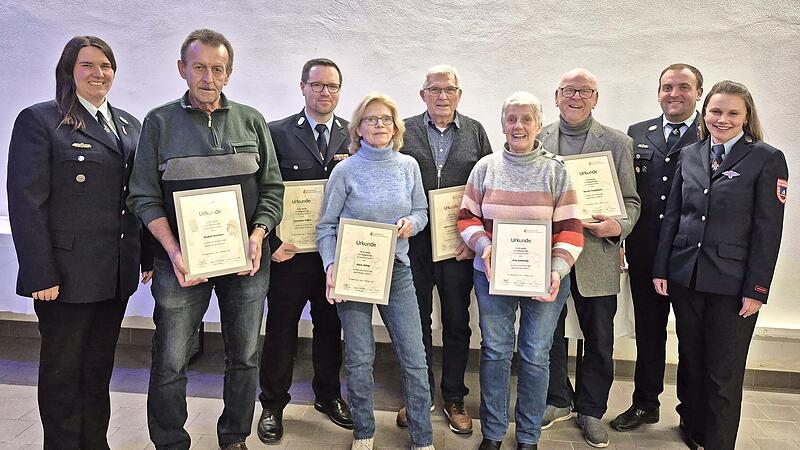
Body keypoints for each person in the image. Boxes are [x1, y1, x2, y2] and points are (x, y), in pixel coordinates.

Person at [127, 29, 284, 450]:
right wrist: (174, 251)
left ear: (228, 74)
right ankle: (170, 442)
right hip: (179, 264)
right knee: (171, 359)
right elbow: (142, 195)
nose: (208, 77)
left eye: (217, 68)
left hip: (246, 263)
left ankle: (234, 437)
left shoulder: (251, 120)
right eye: (199, 67)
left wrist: (258, 234)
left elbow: (272, 188)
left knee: (246, 356)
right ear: (182, 69)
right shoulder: (158, 122)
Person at [7, 35, 152, 450]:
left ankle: (94, 442)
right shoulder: (40, 120)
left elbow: (136, 197)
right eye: (87, 65)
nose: (99, 73)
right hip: (65, 277)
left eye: (106, 65)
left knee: (97, 368)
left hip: (113, 274)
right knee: (63, 372)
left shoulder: (128, 123)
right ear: (69, 71)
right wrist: (39, 272)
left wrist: (145, 254)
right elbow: (27, 203)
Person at [653, 80, 788, 450]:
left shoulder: (766, 158)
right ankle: (693, 428)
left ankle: (717, 442)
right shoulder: (691, 153)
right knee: (692, 361)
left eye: (732, 113)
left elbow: (767, 229)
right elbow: (674, 215)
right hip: (687, 276)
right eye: (715, 111)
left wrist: (757, 289)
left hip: (733, 284)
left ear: (746, 118)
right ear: (705, 112)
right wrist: (662, 268)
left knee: (722, 372)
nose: (722, 119)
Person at [457, 91, 584, 450]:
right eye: (512, 118)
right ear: (502, 124)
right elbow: (467, 216)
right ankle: (493, 434)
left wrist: (557, 270)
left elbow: (571, 228)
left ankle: (528, 436)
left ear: (538, 125)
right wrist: (485, 246)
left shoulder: (556, 170)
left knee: (534, 354)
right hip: (492, 275)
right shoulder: (486, 167)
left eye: (526, 119)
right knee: (495, 352)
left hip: (545, 279)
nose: (518, 126)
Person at [316, 93, 433, 450]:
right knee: (360, 356)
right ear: (358, 128)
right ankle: (364, 432)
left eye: (385, 119)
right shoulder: (345, 169)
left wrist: (411, 223)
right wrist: (332, 266)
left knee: (414, 357)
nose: (379, 125)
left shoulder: (408, 165)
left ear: (396, 127)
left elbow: (421, 212)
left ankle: (423, 438)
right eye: (371, 119)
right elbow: (326, 226)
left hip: (397, 271)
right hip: (354, 273)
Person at [538, 68, 641, 448]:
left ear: (595, 98)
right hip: (547, 254)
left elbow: (631, 202)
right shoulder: (537, 137)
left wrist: (618, 226)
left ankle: (591, 410)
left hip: (597, 253)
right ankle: (557, 399)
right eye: (569, 90)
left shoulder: (617, 142)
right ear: (556, 95)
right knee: (547, 333)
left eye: (585, 91)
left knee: (599, 338)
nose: (576, 97)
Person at [257, 58, 353, 444]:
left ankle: (328, 395)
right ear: (302, 87)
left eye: (331, 86)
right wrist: (271, 244)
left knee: (331, 327)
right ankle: (272, 405)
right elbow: (262, 189)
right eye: (317, 86)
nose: (324, 93)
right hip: (290, 255)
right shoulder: (276, 132)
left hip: (336, 254)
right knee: (280, 329)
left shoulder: (355, 134)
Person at [398, 64, 493, 433]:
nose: (442, 96)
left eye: (449, 90)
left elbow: (487, 186)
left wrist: (477, 240)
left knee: (456, 323)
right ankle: (417, 395)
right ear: (423, 94)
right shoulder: (402, 130)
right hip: (413, 245)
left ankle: (454, 396)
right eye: (434, 90)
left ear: (459, 94)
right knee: (414, 323)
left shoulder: (476, 132)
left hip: (459, 248)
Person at [610, 63, 704, 432]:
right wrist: (619, 235)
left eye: (684, 87)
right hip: (646, 250)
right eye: (667, 87)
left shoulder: (709, 130)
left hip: (688, 255)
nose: (674, 94)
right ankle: (645, 404)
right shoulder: (638, 133)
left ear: (699, 92)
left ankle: (690, 413)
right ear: (658, 92)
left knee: (691, 338)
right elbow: (626, 194)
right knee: (649, 333)